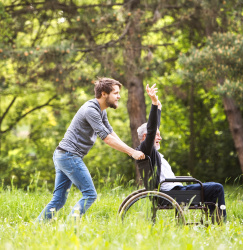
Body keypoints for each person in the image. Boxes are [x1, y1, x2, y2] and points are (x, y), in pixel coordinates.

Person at [37, 77, 145, 221]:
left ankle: (38, 226)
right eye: (116, 93)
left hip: (63, 154)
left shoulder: (101, 110)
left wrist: (132, 150)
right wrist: (132, 153)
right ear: (104, 93)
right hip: (69, 155)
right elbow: (106, 138)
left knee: (59, 200)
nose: (119, 96)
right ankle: (69, 229)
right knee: (90, 194)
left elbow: (111, 132)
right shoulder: (90, 110)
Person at [136, 83, 226, 223]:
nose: (160, 137)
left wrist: (158, 107)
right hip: (171, 194)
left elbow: (154, 127)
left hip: (174, 191)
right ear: (145, 137)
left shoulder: (149, 152)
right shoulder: (146, 150)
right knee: (216, 188)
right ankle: (220, 224)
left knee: (211, 188)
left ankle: (214, 222)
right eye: (157, 135)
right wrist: (154, 103)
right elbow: (152, 128)